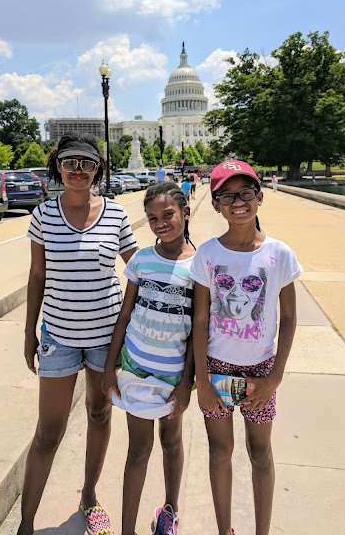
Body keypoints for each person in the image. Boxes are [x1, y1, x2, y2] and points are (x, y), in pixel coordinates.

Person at [18, 134, 138, 535]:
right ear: (58, 166)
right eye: (70, 162)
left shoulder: (115, 214)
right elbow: (37, 275)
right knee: (48, 432)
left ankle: (89, 495)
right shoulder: (43, 215)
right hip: (59, 336)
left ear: (97, 169)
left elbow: (138, 268)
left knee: (99, 412)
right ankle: (26, 524)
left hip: (107, 336)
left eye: (87, 163)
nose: (78, 170)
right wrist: (29, 332)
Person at [190, 160, 302, 535]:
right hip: (217, 368)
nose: (238, 202)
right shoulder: (208, 255)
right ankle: (225, 530)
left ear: (260, 197)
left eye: (246, 193)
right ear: (216, 204)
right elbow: (201, 320)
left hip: (261, 370)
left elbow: (289, 318)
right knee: (220, 452)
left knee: (260, 452)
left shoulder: (279, 254)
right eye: (227, 196)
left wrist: (275, 377)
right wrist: (202, 382)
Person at [102, 182, 196, 535]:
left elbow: (197, 330)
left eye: (168, 214)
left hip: (173, 376)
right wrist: (110, 369)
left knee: (171, 441)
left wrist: (187, 383)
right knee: (138, 450)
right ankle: (127, 529)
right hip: (135, 370)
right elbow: (125, 315)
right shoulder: (141, 259)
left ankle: (170, 510)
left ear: (185, 213)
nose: (161, 223)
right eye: (153, 218)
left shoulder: (200, 265)